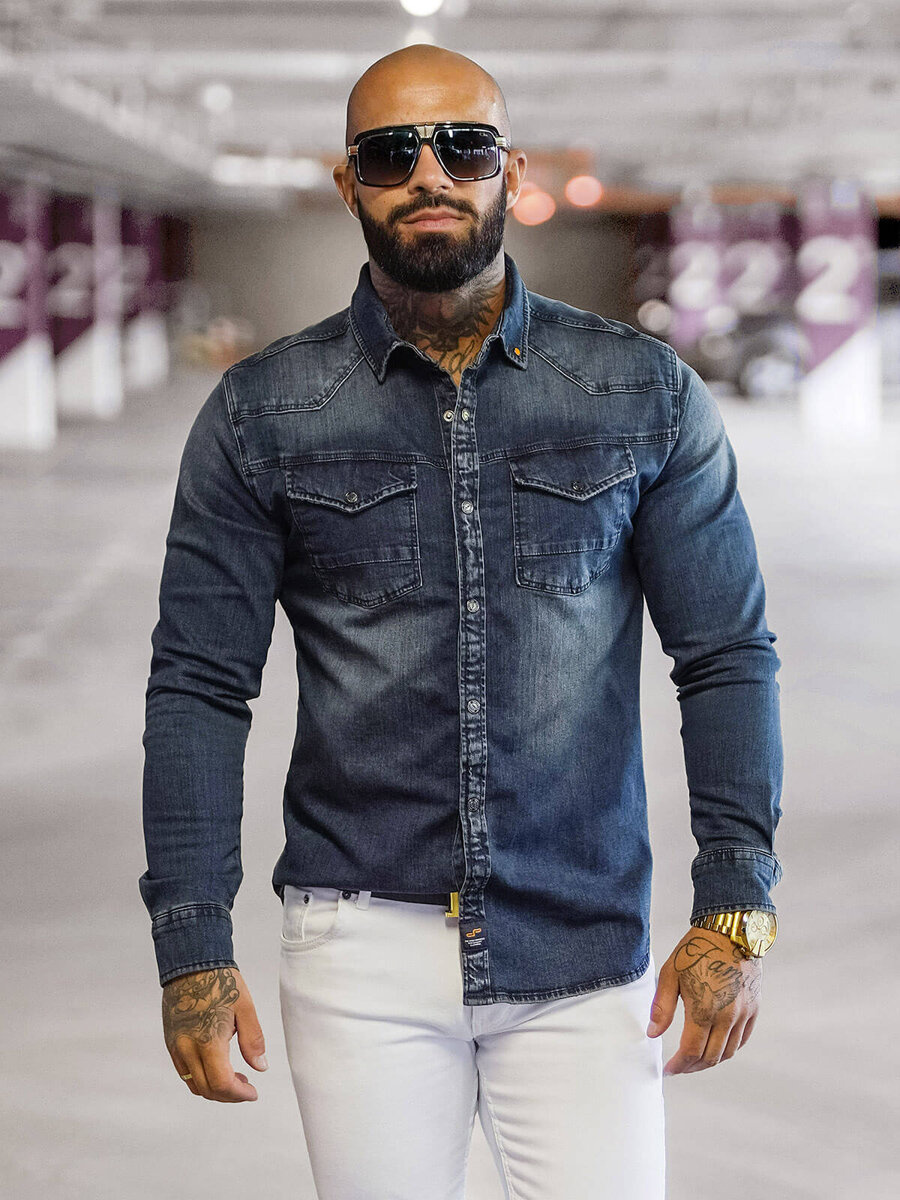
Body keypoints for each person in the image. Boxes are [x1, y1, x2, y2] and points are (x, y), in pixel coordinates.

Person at [139, 42, 784, 1200]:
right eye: (392, 152)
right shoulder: (261, 413)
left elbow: (726, 654)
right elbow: (199, 685)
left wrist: (736, 904)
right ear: (350, 183)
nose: (430, 172)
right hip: (358, 953)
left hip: (584, 944)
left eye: (465, 146)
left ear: (512, 172)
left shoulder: (642, 394)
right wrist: (191, 940)